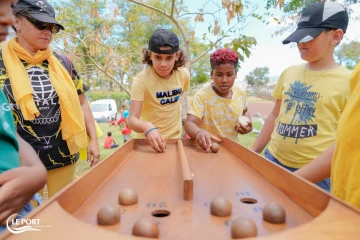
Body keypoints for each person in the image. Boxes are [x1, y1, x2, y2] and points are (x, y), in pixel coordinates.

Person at [0, 0, 100, 199]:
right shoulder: (1, 63)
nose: (48, 31)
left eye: (52, 27)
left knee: (64, 211)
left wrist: (94, 141)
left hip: (61, 156)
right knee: (25, 221)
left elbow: (81, 102)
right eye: (40, 24)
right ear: (17, 22)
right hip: (20, 164)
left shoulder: (63, 63)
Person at [250, 2, 351, 192]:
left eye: (309, 36)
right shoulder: (288, 73)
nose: (301, 43)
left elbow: (345, 143)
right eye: (299, 37)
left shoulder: (350, 81)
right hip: (273, 160)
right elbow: (274, 115)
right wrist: (254, 151)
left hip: (315, 175)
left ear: (336, 36)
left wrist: (294, 179)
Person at [0, 0, 47, 231]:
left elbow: (5, 129)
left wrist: (37, 173)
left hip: (22, 202)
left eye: (9, 6)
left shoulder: (61, 62)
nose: (7, 18)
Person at [295, 63, 360, 209]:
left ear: (335, 38)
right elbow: (347, 142)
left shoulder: (345, 77)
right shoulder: (357, 73)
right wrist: (291, 179)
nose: (301, 43)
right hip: (344, 201)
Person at [128, 29, 190, 152]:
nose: (163, 64)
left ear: (177, 56)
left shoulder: (184, 75)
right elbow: (132, 119)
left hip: (174, 140)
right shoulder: (140, 81)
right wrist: (147, 127)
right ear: (150, 54)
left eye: (169, 58)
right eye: (158, 57)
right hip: (147, 143)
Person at [185, 48, 252, 151]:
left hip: (232, 151)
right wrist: (198, 133)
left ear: (236, 74)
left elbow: (245, 111)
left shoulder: (240, 93)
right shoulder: (202, 96)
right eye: (219, 75)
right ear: (212, 74)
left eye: (229, 74)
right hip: (207, 149)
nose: (224, 80)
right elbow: (190, 123)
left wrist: (247, 125)